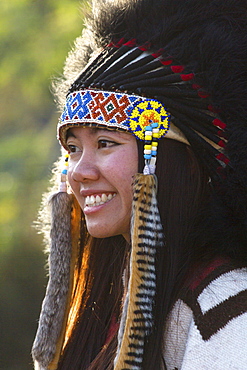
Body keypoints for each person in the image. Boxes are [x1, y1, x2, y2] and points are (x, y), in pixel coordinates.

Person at [32, 0, 247, 369]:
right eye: (72, 147)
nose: (79, 171)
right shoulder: (100, 308)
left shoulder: (226, 312)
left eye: (105, 143)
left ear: (167, 158)